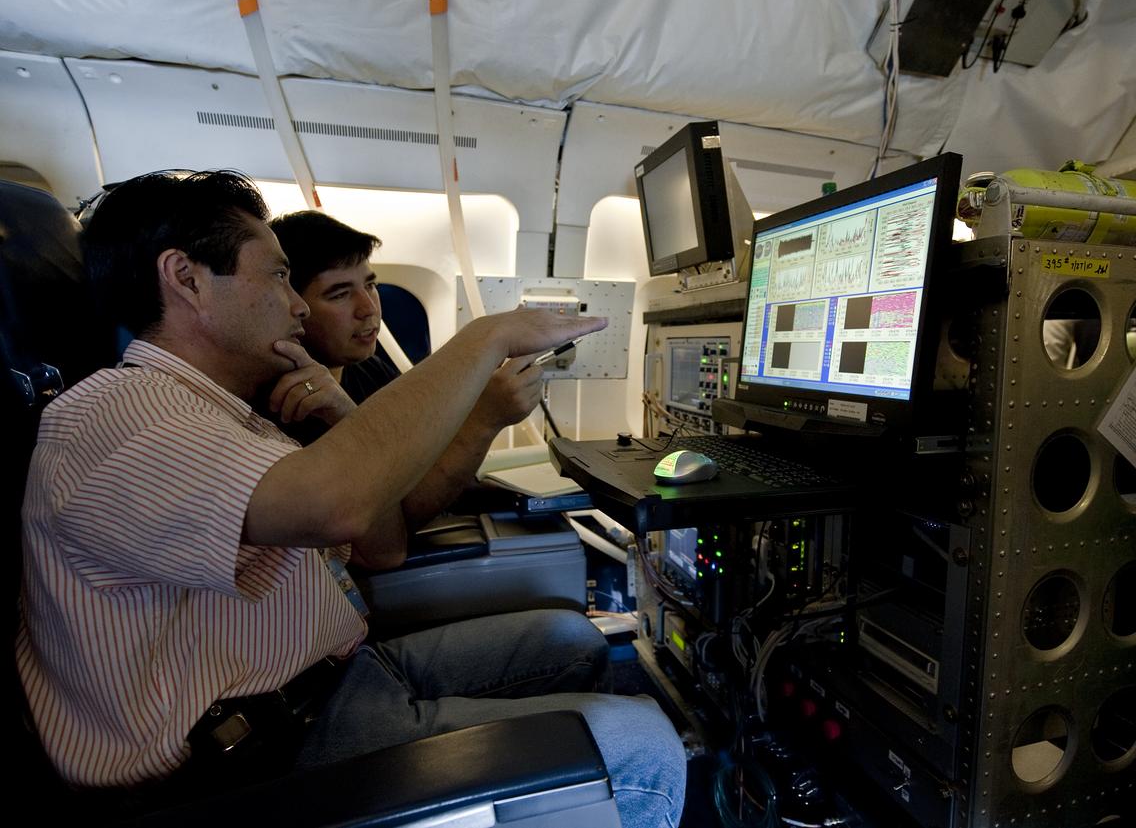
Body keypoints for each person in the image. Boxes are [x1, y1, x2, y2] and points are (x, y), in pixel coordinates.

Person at [16, 170, 685, 828]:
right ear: (186, 278)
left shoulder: (225, 416)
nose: (299, 306)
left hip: (332, 678)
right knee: (641, 747)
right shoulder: (118, 412)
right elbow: (340, 505)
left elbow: (381, 542)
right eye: (278, 276)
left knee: (573, 639)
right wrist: (487, 338)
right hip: (252, 761)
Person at [266, 210, 539, 521]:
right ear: (293, 307)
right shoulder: (292, 404)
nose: (368, 308)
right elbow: (402, 513)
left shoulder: (371, 371)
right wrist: (486, 419)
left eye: (370, 285)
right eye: (340, 294)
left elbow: (422, 463)